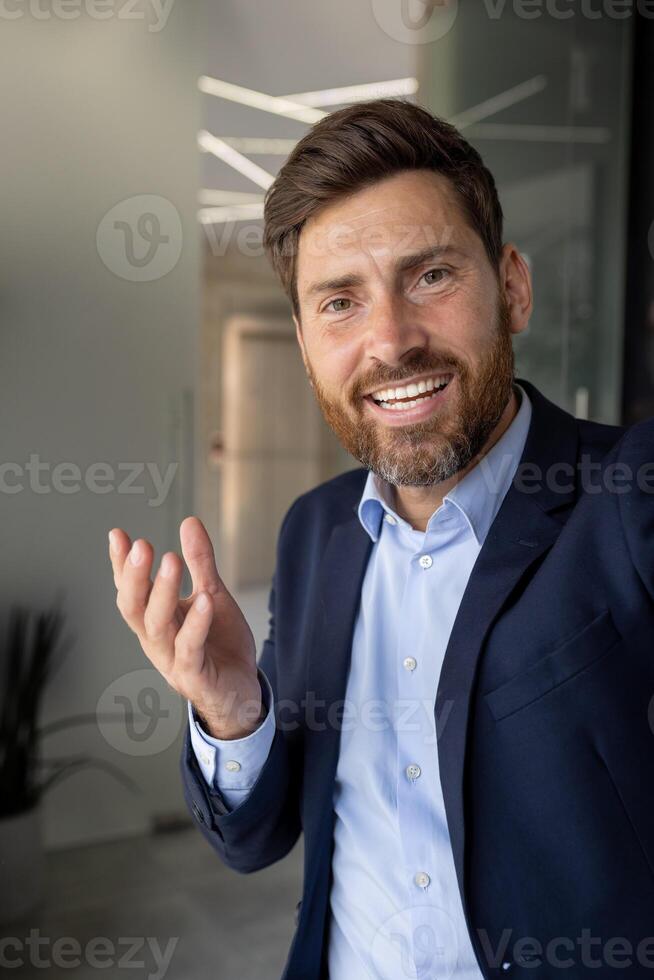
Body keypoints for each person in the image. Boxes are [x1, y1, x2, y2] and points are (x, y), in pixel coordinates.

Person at [108, 99, 654, 979]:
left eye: (431, 276)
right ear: (302, 340)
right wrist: (233, 710)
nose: (391, 341)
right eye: (340, 302)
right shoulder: (314, 532)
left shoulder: (628, 495)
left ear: (512, 286)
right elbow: (258, 839)